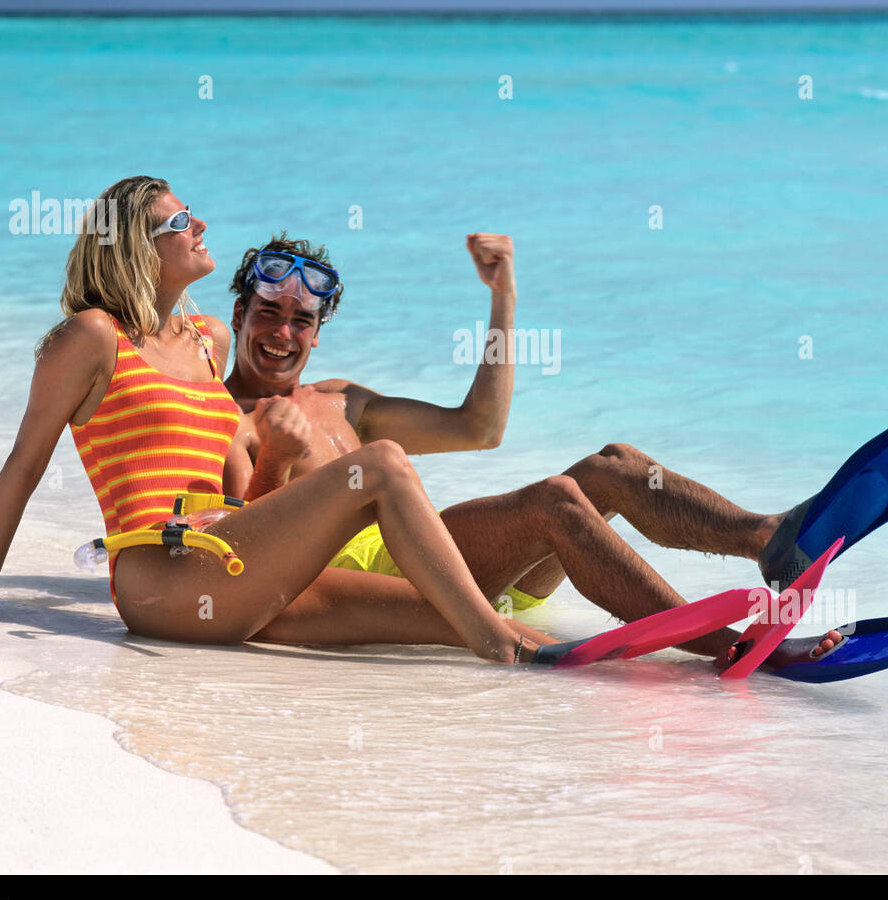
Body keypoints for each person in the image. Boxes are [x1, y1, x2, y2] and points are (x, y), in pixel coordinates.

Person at [0, 176, 581, 666]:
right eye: (177, 221)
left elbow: (234, 490)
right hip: (157, 573)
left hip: (231, 558)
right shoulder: (92, 336)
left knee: (437, 613)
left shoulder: (208, 339)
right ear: (135, 249)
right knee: (383, 465)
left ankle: (600, 659)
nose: (198, 224)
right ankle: (502, 651)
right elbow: (24, 465)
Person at [222, 234, 845, 665]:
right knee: (555, 500)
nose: (283, 333)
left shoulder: (342, 400)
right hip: (396, 582)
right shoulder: (227, 420)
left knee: (616, 467)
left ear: (318, 333)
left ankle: (768, 536)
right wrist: (275, 456)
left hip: (453, 562)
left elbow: (479, 427)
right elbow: (240, 553)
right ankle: (731, 645)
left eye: (301, 320)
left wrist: (503, 297)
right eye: (267, 313)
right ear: (239, 312)